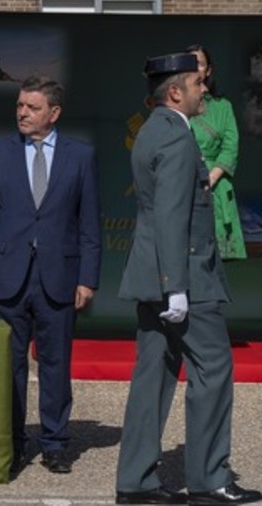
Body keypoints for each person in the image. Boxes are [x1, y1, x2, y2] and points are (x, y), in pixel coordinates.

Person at [115, 53, 261, 506]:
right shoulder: (177, 137)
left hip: (157, 275)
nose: (205, 90)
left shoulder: (153, 130)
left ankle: (135, 482)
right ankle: (209, 480)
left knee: (152, 378)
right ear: (176, 91)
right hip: (185, 278)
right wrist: (175, 285)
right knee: (213, 370)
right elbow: (175, 217)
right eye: (198, 83)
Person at [0, 75, 101, 477]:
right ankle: (11, 444)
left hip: (59, 278)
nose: (23, 113)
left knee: (56, 365)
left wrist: (88, 278)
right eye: (20, 106)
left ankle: (56, 443)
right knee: (9, 366)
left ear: (54, 113)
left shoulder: (81, 155)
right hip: (7, 277)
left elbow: (89, 223)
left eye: (32, 107)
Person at [186, 45, 247, 261]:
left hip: (216, 183)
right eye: (190, 63)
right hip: (185, 180)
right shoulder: (178, 105)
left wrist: (210, 178)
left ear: (208, 70)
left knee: (214, 260)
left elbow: (231, 148)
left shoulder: (223, 107)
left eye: (200, 64)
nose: (196, 69)